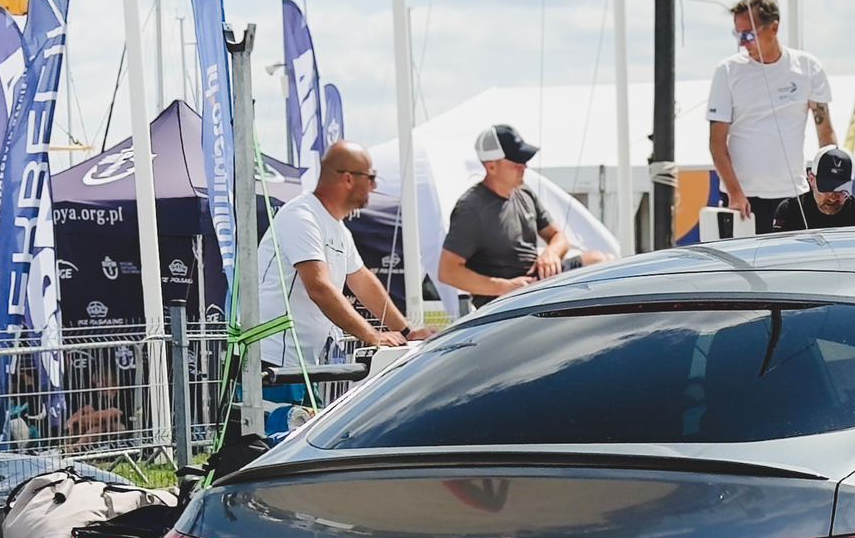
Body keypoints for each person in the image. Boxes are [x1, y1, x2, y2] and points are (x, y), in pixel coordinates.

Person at [257, 140, 431, 379]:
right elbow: (319, 288)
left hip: (299, 362)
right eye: (370, 177)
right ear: (348, 179)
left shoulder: (337, 227)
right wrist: (372, 335)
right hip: (274, 362)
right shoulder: (302, 217)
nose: (374, 185)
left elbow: (362, 281)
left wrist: (406, 331)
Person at [705, 0, 834, 235]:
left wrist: (831, 186)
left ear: (773, 28)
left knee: (792, 270)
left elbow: (825, 133)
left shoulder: (807, 68)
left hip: (794, 196)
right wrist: (734, 193)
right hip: (742, 202)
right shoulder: (727, 72)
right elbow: (716, 142)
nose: (742, 43)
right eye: (737, 35)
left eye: (748, 35)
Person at [439, 124, 608, 309]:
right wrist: (506, 287)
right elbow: (447, 271)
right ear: (491, 166)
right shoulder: (470, 208)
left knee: (601, 260)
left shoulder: (524, 193)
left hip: (539, 284)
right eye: (516, 160)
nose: (524, 165)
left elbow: (558, 237)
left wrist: (551, 254)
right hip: (504, 303)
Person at [763, 146, 855, 231]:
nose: (833, 198)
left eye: (841, 191)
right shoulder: (790, 211)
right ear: (811, 179)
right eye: (826, 188)